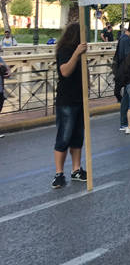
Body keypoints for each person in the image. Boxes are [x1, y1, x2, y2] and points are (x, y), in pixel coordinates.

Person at [52, 23, 88, 189]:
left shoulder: (82, 52)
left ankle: (76, 169)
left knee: (77, 137)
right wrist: (77, 53)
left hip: (80, 99)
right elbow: (65, 71)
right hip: (66, 100)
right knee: (63, 137)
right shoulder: (65, 50)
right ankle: (59, 173)